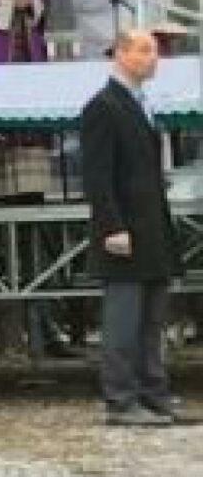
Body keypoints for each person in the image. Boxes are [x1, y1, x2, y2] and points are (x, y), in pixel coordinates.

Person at [79, 29, 185, 427]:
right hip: (123, 231)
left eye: (154, 51)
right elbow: (98, 176)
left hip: (151, 228)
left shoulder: (141, 104)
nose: (152, 58)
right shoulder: (104, 107)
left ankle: (153, 393)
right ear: (121, 54)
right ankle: (121, 399)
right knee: (124, 320)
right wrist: (112, 226)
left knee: (151, 318)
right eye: (143, 50)